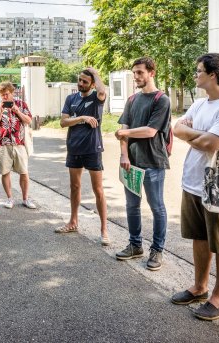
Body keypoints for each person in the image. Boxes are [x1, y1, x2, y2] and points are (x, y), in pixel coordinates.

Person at [171, 53, 219, 321]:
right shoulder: (200, 104)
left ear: (213, 75)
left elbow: (210, 145)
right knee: (199, 237)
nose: (195, 74)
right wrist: (200, 137)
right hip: (193, 182)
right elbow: (176, 130)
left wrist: (197, 137)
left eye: (199, 70)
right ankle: (199, 288)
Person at [114, 57, 171, 271]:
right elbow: (124, 126)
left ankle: (157, 249)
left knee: (157, 207)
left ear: (151, 73)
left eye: (140, 72)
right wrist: (124, 155)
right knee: (132, 206)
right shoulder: (132, 100)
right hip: (132, 162)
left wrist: (124, 132)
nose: (136, 77)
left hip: (153, 162)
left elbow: (150, 131)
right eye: (134, 73)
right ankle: (135, 245)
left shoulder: (161, 100)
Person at [56, 67, 109, 246]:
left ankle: (104, 230)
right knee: (75, 186)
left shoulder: (96, 98)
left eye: (85, 81)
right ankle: (73, 222)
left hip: (93, 148)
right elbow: (63, 122)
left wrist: (95, 73)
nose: (80, 84)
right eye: (79, 80)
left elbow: (102, 90)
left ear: (92, 84)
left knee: (98, 190)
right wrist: (82, 118)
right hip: (74, 148)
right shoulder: (71, 98)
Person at [0, 81, 36, 210]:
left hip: (19, 143)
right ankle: (9, 198)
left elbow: (29, 120)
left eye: (6, 94)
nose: (4, 97)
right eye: (2, 95)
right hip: (2, 143)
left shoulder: (21, 105)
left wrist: (17, 111)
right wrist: (0, 111)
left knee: (24, 172)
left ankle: (25, 198)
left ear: (12, 93)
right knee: (5, 172)